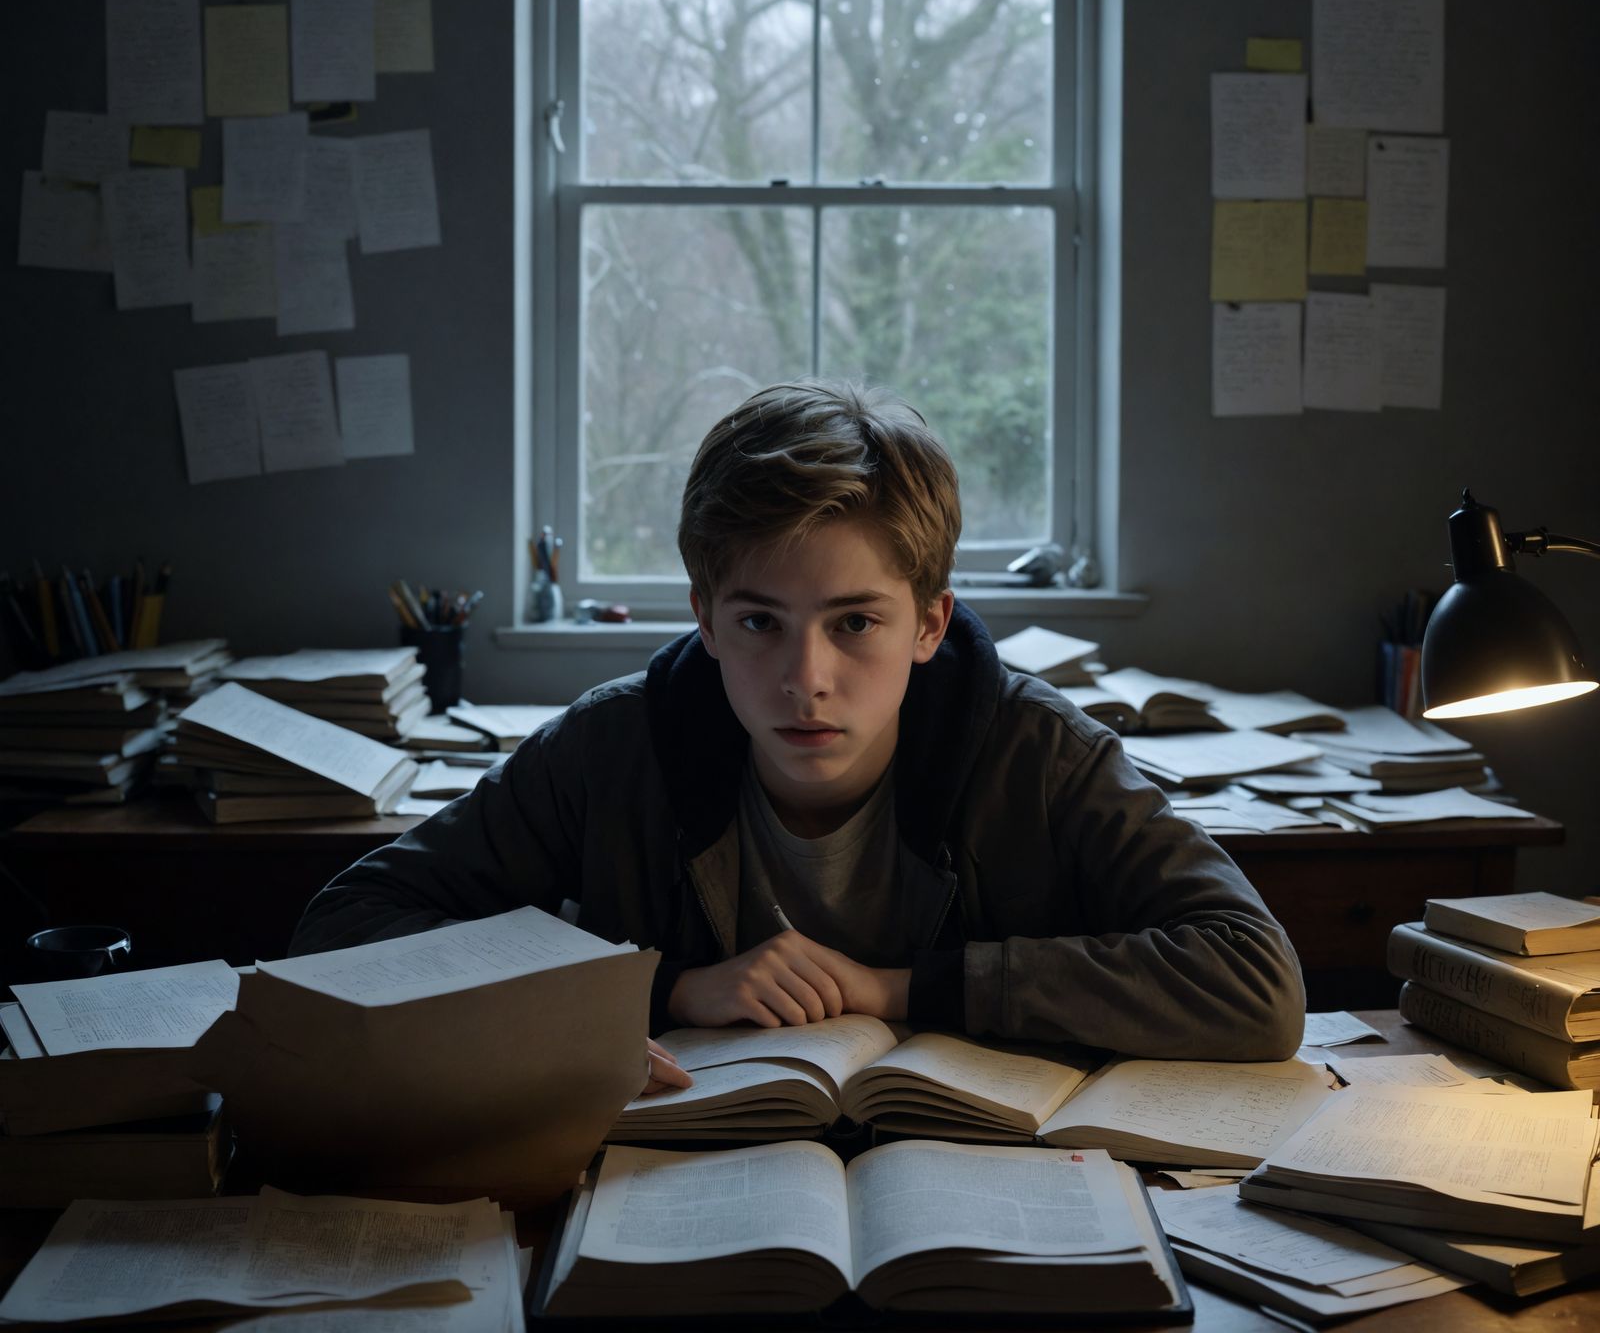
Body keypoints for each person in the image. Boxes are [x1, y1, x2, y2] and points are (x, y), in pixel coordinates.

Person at [291, 381, 1305, 1093]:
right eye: (758, 621)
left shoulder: (1034, 751)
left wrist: (897, 989)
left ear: (930, 623)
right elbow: (346, 923)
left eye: (855, 622)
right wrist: (653, 990)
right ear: (703, 615)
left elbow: (1255, 981)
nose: (803, 677)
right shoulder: (613, 749)